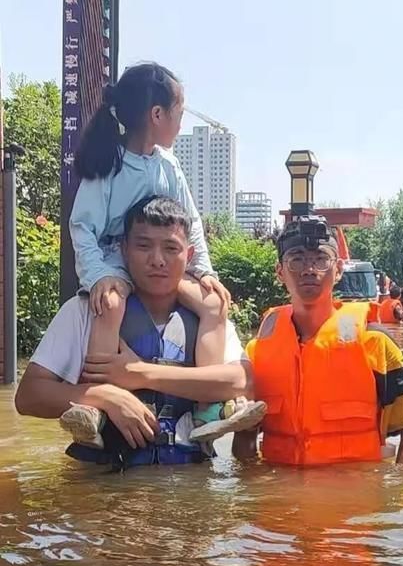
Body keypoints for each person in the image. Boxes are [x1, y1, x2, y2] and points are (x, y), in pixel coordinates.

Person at [63, 62, 258, 449]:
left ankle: (207, 408)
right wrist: (99, 276)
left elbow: (192, 224)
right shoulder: (110, 163)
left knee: (214, 304)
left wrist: (203, 270)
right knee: (112, 304)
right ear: (157, 115)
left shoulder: (169, 165)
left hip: (165, 267)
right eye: (179, 114)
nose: (180, 124)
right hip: (115, 263)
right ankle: (98, 406)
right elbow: (82, 227)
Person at [15, 198, 264, 470]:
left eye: (171, 248)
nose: (157, 260)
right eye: (143, 246)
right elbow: (29, 396)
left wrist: (139, 373)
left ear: (189, 256)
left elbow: (242, 381)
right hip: (103, 489)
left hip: (189, 487)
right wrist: (107, 397)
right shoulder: (88, 309)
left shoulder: (207, 315)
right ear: (124, 249)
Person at [243, 216, 403, 467]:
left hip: (355, 500)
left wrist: (401, 495)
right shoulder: (257, 354)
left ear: (338, 269)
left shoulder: (375, 342)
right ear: (280, 272)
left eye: (320, 259)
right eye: (296, 260)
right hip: (279, 502)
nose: (309, 269)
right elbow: (244, 441)